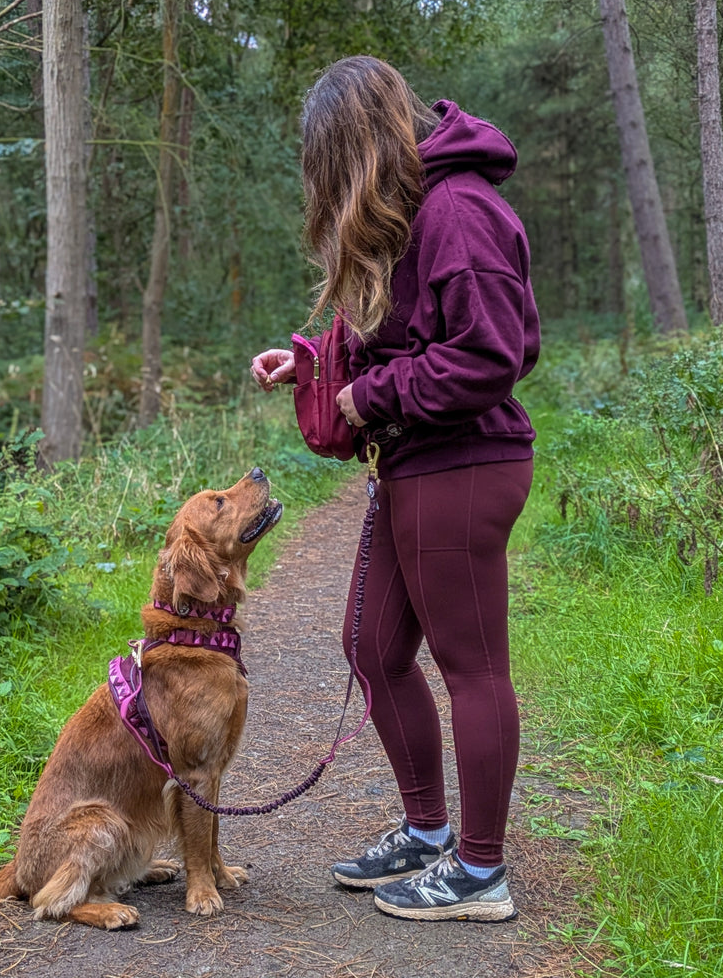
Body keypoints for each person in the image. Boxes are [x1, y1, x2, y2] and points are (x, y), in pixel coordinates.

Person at [250, 56, 539, 923]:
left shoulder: (459, 208)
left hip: (466, 464)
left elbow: (492, 353)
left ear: (362, 144)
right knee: (372, 649)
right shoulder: (417, 216)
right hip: (415, 464)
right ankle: (427, 832)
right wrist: (310, 362)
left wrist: (371, 396)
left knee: (473, 666)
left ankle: (480, 873)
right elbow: (411, 330)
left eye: (331, 165)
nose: (329, 189)